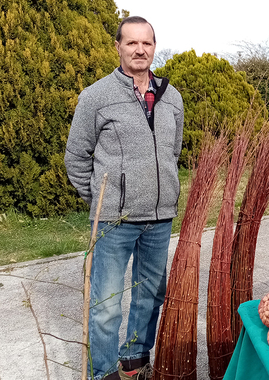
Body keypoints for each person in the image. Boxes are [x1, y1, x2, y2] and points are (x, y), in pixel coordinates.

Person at [64, 16, 184, 380]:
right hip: (114, 223)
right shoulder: (96, 96)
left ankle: (134, 362)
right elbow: (76, 157)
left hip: (160, 219)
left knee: (149, 298)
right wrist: (104, 201)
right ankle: (103, 373)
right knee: (106, 306)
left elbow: (172, 153)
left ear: (154, 47)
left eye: (146, 43)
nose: (139, 49)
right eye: (131, 43)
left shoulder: (171, 97)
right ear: (118, 46)